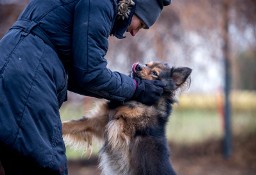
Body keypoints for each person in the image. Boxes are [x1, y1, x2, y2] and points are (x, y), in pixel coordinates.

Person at [0, 0, 172, 174]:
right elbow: (91, 74)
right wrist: (137, 88)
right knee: (45, 166)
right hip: (27, 78)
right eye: (140, 23)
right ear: (134, 5)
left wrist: (129, 88)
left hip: (13, 67)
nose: (135, 32)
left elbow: (79, 75)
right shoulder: (101, 2)